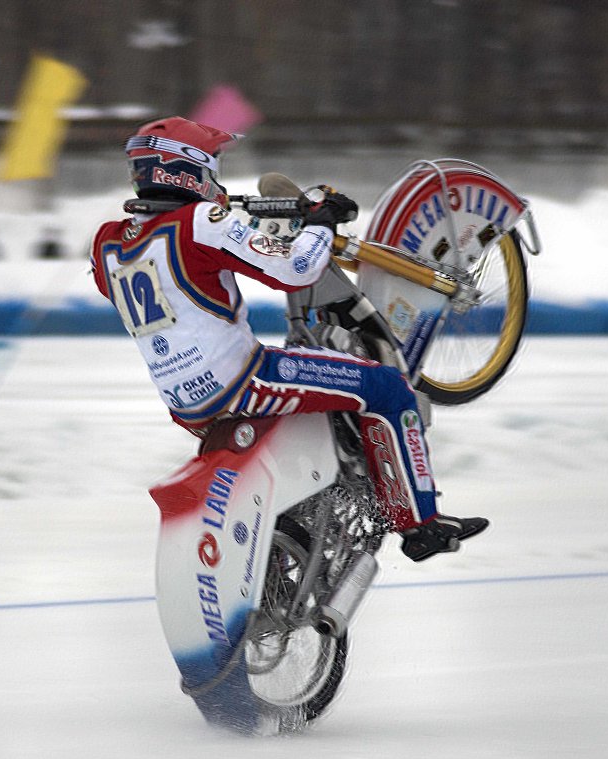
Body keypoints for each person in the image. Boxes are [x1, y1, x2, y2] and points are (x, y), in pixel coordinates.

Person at [89, 116, 486, 562]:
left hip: (186, 403)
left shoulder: (107, 244)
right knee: (387, 389)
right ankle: (419, 525)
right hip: (245, 381)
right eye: (212, 164)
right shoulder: (201, 221)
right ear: (187, 169)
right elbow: (296, 269)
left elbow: (164, 282)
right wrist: (321, 223)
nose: (214, 175)